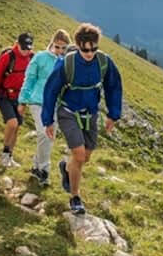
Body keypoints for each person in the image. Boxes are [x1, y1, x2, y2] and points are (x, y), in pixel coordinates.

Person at [42, 23, 122, 215]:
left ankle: (66, 169)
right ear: (78, 45)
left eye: (93, 48)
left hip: (90, 114)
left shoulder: (104, 62)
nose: (89, 52)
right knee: (78, 155)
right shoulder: (66, 63)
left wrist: (113, 114)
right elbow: (51, 90)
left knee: (85, 157)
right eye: (85, 49)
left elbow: (113, 87)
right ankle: (75, 198)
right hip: (68, 112)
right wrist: (48, 119)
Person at [18, 29, 72, 186]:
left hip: (56, 105)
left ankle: (36, 166)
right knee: (44, 134)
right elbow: (29, 79)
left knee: (49, 138)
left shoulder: (67, 62)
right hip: (38, 101)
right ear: (52, 43)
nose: (60, 51)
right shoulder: (40, 58)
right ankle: (44, 171)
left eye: (64, 48)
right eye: (57, 47)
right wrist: (22, 101)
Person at [0, 32, 34, 167]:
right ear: (17, 44)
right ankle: (4, 153)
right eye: (23, 48)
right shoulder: (7, 57)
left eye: (29, 48)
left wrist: (25, 100)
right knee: (12, 124)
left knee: (17, 128)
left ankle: (9, 157)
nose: (26, 51)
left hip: (20, 97)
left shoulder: (32, 57)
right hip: (4, 95)